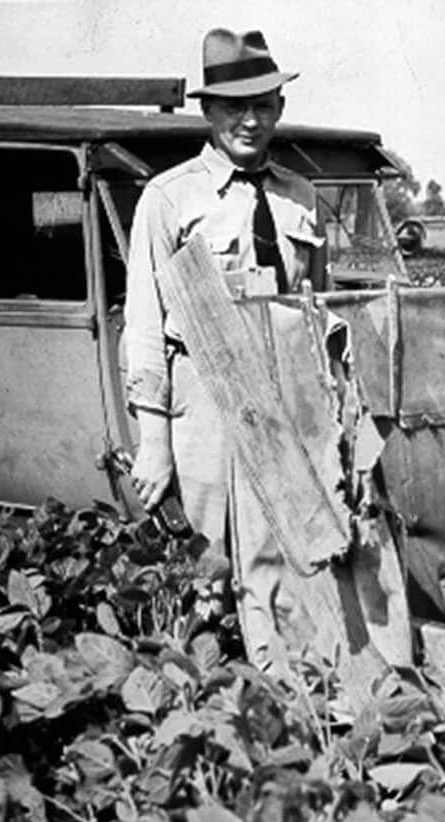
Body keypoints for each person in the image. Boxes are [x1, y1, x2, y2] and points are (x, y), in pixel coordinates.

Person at [123, 27, 325, 538]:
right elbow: (144, 327)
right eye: (235, 108)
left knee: (289, 550)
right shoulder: (169, 198)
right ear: (209, 112)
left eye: (261, 105)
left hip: (288, 402)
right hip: (204, 408)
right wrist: (154, 442)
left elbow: (318, 311)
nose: (250, 121)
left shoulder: (301, 197)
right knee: (208, 559)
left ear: (279, 106)